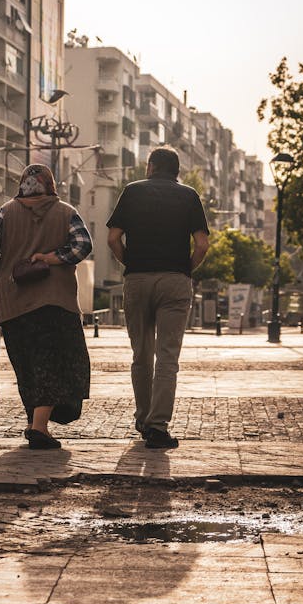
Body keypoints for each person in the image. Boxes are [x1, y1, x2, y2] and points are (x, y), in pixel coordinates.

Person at [0, 163, 92, 450]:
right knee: (52, 363)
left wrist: (0, 273)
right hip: (56, 301)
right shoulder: (67, 211)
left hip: (14, 302)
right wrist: (51, 258)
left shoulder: (5, 211)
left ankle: (34, 424)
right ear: (51, 185)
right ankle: (39, 427)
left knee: (27, 364)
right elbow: (82, 246)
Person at [107, 146, 210, 449]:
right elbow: (202, 245)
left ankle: (142, 418)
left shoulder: (132, 191)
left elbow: (113, 238)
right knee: (167, 357)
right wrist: (184, 270)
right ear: (177, 170)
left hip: (137, 279)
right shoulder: (189, 195)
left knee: (141, 355)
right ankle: (157, 426)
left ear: (150, 167)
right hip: (175, 282)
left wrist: (131, 263)